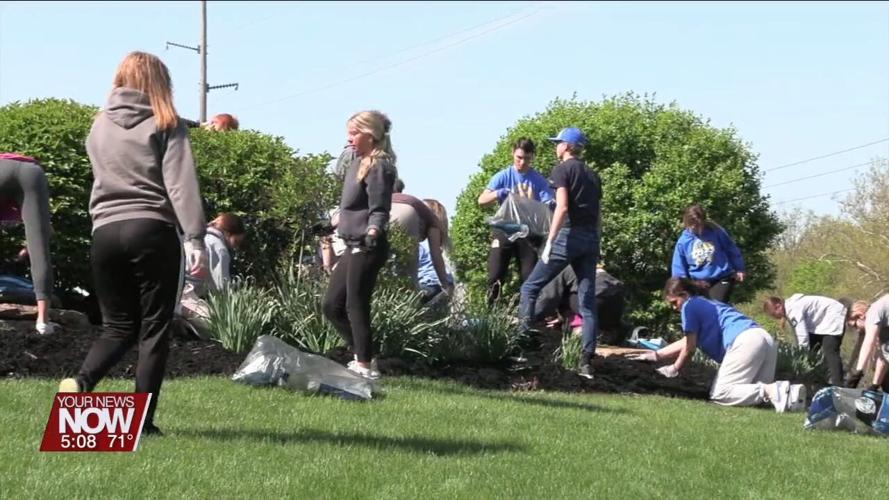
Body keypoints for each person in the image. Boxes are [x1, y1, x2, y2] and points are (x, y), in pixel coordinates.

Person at [59, 51, 209, 438]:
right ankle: (142, 423)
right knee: (154, 329)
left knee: (117, 326)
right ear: (160, 82)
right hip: (151, 229)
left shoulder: (99, 124)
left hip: (105, 233)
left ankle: (80, 382)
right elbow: (180, 184)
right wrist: (195, 237)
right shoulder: (166, 122)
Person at [630, 278, 806, 412]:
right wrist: (657, 355)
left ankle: (773, 390)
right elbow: (687, 341)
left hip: (745, 341)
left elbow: (690, 348)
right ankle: (791, 395)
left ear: (684, 295)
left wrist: (674, 369)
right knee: (752, 397)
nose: (674, 308)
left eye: (674, 303)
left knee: (721, 393)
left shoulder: (689, 306)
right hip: (764, 339)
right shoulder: (707, 303)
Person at [519, 127, 600, 379]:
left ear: (566, 146)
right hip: (591, 239)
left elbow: (562, 208)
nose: (556, 147)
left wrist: (550, 242)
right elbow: (598, 214)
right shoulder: (593, 175)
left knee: (530, 288)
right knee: (587, 303)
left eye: (558, 143)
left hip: (568, 235)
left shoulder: (562, 170)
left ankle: (521, 348)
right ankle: (586, 362)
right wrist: (596, 243)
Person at [322, 110, 397, 380]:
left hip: (367, 246)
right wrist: (332, 224)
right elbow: (352, 207)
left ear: (370, 135)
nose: (349, 138)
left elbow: (379, 209)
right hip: (352, 242)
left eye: (354, 133)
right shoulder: (357, 162)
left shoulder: (380, 166)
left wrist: (373, 231)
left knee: (355, 304)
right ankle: (363, 354)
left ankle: (365, 367)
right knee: (331, 305)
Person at [478, 138, 554, 303]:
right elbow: (482, 200)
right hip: (505, 227)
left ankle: (528, 313)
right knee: (495, 275)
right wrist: (497, 193)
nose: (522, 162)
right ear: (513, 154)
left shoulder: (538, 180)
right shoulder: (503, 176)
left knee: (529, 277)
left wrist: (551, 204)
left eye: (526, 158)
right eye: (519, 158)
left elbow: (548, 203)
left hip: (528, 231)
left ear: (532, 157)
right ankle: (490, 311)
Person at [0, 153, 59, 334]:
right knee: (39, 248)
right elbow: (46, 230)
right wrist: (26, 250)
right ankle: (43, 321)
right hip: (32, 172)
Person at [763, 294, 846, 386]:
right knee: (812, 349)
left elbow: (802, 334)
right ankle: (815, 379)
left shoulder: (793, 309)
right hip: (821, 322)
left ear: (778, 306)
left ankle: (838, 385)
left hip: (833, 315)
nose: (775, 317)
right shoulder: (790, 307)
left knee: (830, 350)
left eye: (773, 314)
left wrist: (801, 355)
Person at [670, 204, 746, 303]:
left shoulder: (716, 232)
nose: (695, 227)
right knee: (703, 309)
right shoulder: (683, 241)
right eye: (692, 225)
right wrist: (682, 287)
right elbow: (678, 268)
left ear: (703, 222)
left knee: (716, 304)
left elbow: (731, 249)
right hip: (698, 283)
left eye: (698, 225)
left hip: (721, 278)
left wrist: (739, 268)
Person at [533, 263, 626, 343]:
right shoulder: (588, 263)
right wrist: (560, 318)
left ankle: (581, 329)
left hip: (595, 296)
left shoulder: (559, 267)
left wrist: (531, 318)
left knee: (563, 298)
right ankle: (609, 332)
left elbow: (548, 299)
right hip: (617, 298)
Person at [388, 192, 450, 292]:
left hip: (382, 209)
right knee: (410, 286)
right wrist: (445, 285)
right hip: (406, 215)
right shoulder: (433, 219)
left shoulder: (417, 206)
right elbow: (435, 254)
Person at [185, 212, 246, 295]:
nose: (234, 247)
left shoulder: (196, 238)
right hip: (187, 292)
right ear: (227, 233)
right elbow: (221, 286)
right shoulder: (219, 248)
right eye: (235, 242)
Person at [845, 295, 889, 391]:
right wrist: (875, 385)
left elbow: (868, 343)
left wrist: (857, 374)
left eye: (855, 326)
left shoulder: (873, 313)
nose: (857, 330)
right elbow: (883, 358)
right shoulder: (884, 327)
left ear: (860, 315)